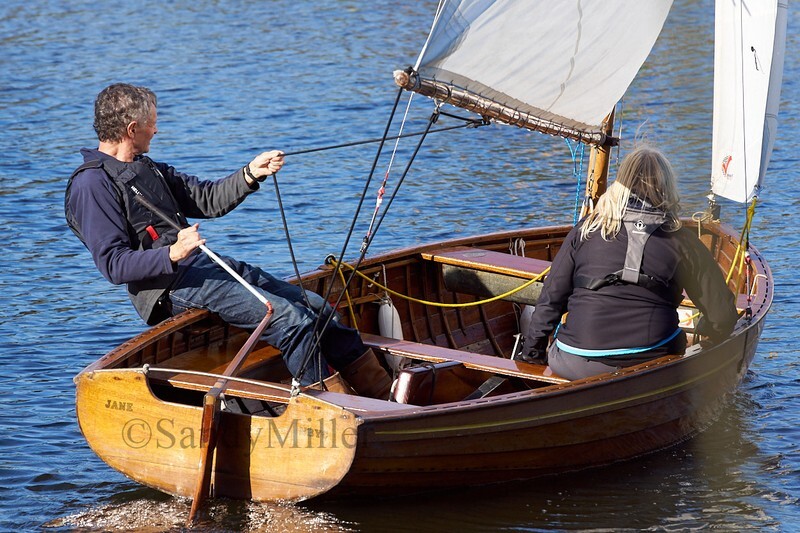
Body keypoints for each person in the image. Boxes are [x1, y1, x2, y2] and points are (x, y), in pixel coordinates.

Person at [65, 83, 391, 397]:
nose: (156, 130)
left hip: (201, 267)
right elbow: (113, 265)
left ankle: (382, 395)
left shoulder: (147, 168)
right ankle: (326, 410)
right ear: (132, 128)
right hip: (166, 287)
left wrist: (250, 173)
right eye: (152, 123)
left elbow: (207, 199)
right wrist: (173, 253)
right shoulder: (92, 185)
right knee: (292, 322)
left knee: (318, 309)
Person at [520, 145, 738, 380]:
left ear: (620, 182)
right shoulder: (683, 241)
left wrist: (531, 356)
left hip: (575, 364)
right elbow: (723, 317)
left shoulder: (586, 230)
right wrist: (707, 333)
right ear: (667, 187)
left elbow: (550, 299)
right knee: (678, 341)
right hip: (651, 364)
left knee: (546, 329)